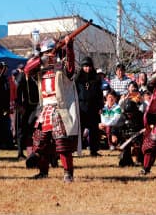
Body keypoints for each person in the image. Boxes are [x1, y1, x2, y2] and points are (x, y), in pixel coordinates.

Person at [24, 36, 80, 182]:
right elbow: (26, 69)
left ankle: (68, 173)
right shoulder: (39, 68)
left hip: (59, 109)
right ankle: (43, 172)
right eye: (47, 51)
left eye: (52, 50)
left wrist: (69, 47)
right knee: (40, 143)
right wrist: (42, 59)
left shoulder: (62, 66)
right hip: (45, 109)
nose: (50, 54)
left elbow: (71, 68)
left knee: (62, 144)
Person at [74, 56, 104, 157]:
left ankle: (93, 150)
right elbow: (75, 94)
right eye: (85, 66)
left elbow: (100, 94)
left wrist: (100, 106)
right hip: (81, 107)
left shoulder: (96, 78)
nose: (88, 68)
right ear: (82, 67)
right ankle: (77, 149)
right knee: (79, 130)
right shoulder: (77, 79)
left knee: (94, 130)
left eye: (89, 66)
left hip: (93, 107)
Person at [112, 98, 144, 167]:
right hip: (125, 138)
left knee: (141, 145)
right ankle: (126, 160)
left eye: (131, 113)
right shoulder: (122, 116)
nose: (129, 115)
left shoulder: (140, 116)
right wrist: (114, 135)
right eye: (127, 113)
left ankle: (140, 159)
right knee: (125, 146)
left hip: (139, 137)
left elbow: (145, 128)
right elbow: (116, 127)